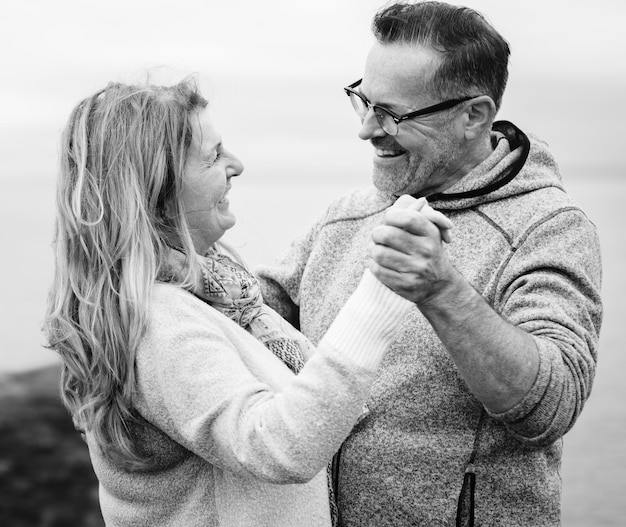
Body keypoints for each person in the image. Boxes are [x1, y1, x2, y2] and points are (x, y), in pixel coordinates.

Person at [44, 77, 455, 526]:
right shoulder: (160, 325)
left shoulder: (207, 297)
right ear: (156, 191)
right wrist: (380, 294)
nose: (236, 165)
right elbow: (278, 445)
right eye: (213, 156)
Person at [256, 2, 603, 526]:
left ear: (474, 116)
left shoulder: (549, 226)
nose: (367, 130)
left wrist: (442, 289)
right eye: (363, 101)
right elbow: (248, 314)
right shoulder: (345, 216)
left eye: (392, 114)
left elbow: (551, 406)